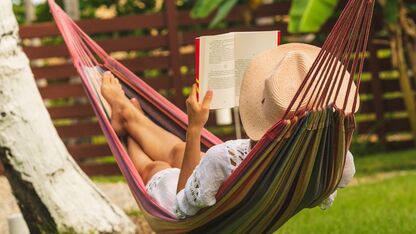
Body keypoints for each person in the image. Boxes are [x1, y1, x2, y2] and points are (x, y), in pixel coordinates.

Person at [100, 43, 356, 219]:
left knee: (156, 168)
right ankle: (128, 115)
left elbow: (181, 207)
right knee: (179, 151)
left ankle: (124, 130)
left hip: (196, 216)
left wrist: (195, 127)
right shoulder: (335, 160)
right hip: (242, 197)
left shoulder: (223, 158)